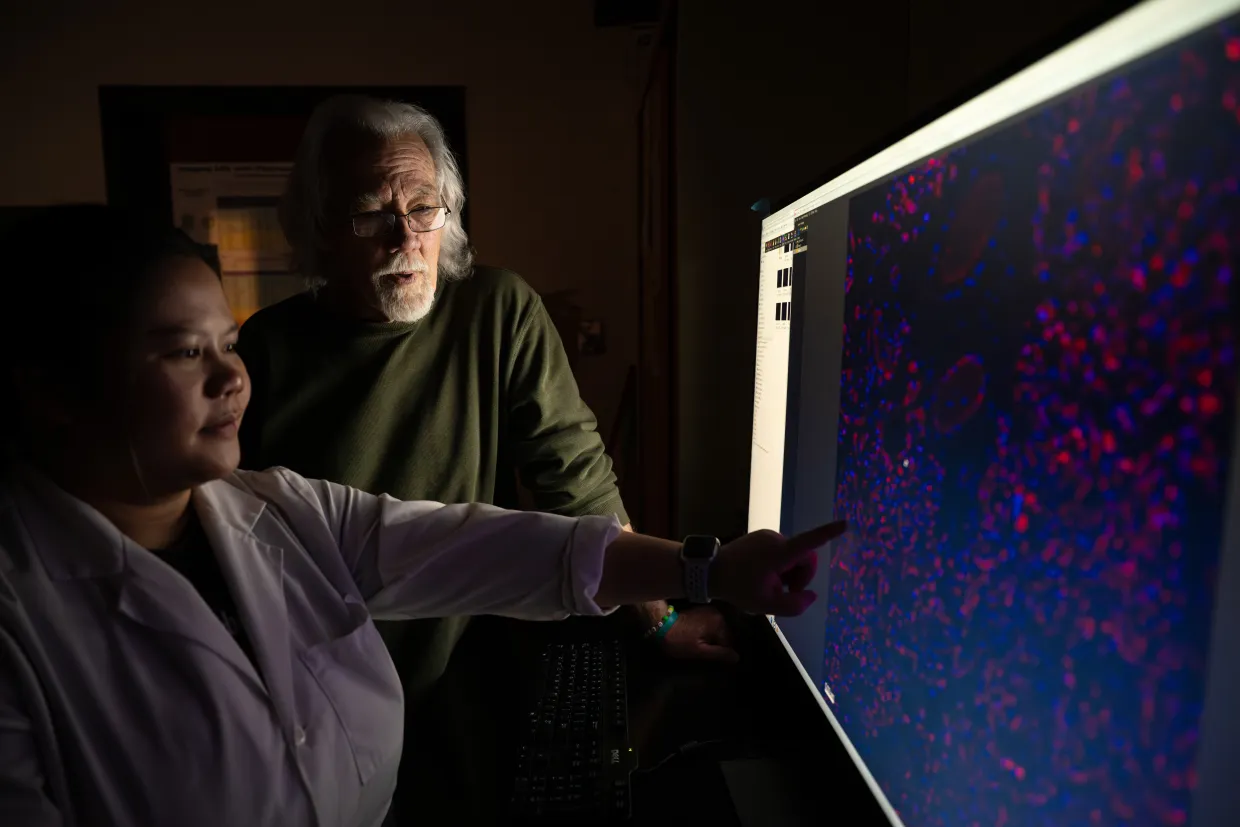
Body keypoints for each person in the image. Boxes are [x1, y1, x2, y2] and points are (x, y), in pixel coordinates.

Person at [0, 205, 845, 827]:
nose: (233, 380)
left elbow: (498, 547)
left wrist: (712, 570)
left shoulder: (279, 509)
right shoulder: (22, 621)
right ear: (53, 391)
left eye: (230, 343)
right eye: (186, 352)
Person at [234, 96, 734, 815]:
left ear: (450, 214)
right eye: (371, 212)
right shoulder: (263, 352)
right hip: (310, 699)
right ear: (322, 229)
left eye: (424, 207)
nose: (404, 235)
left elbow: (577, 476)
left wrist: (658, 618)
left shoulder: (497, 310)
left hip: (454, 677)